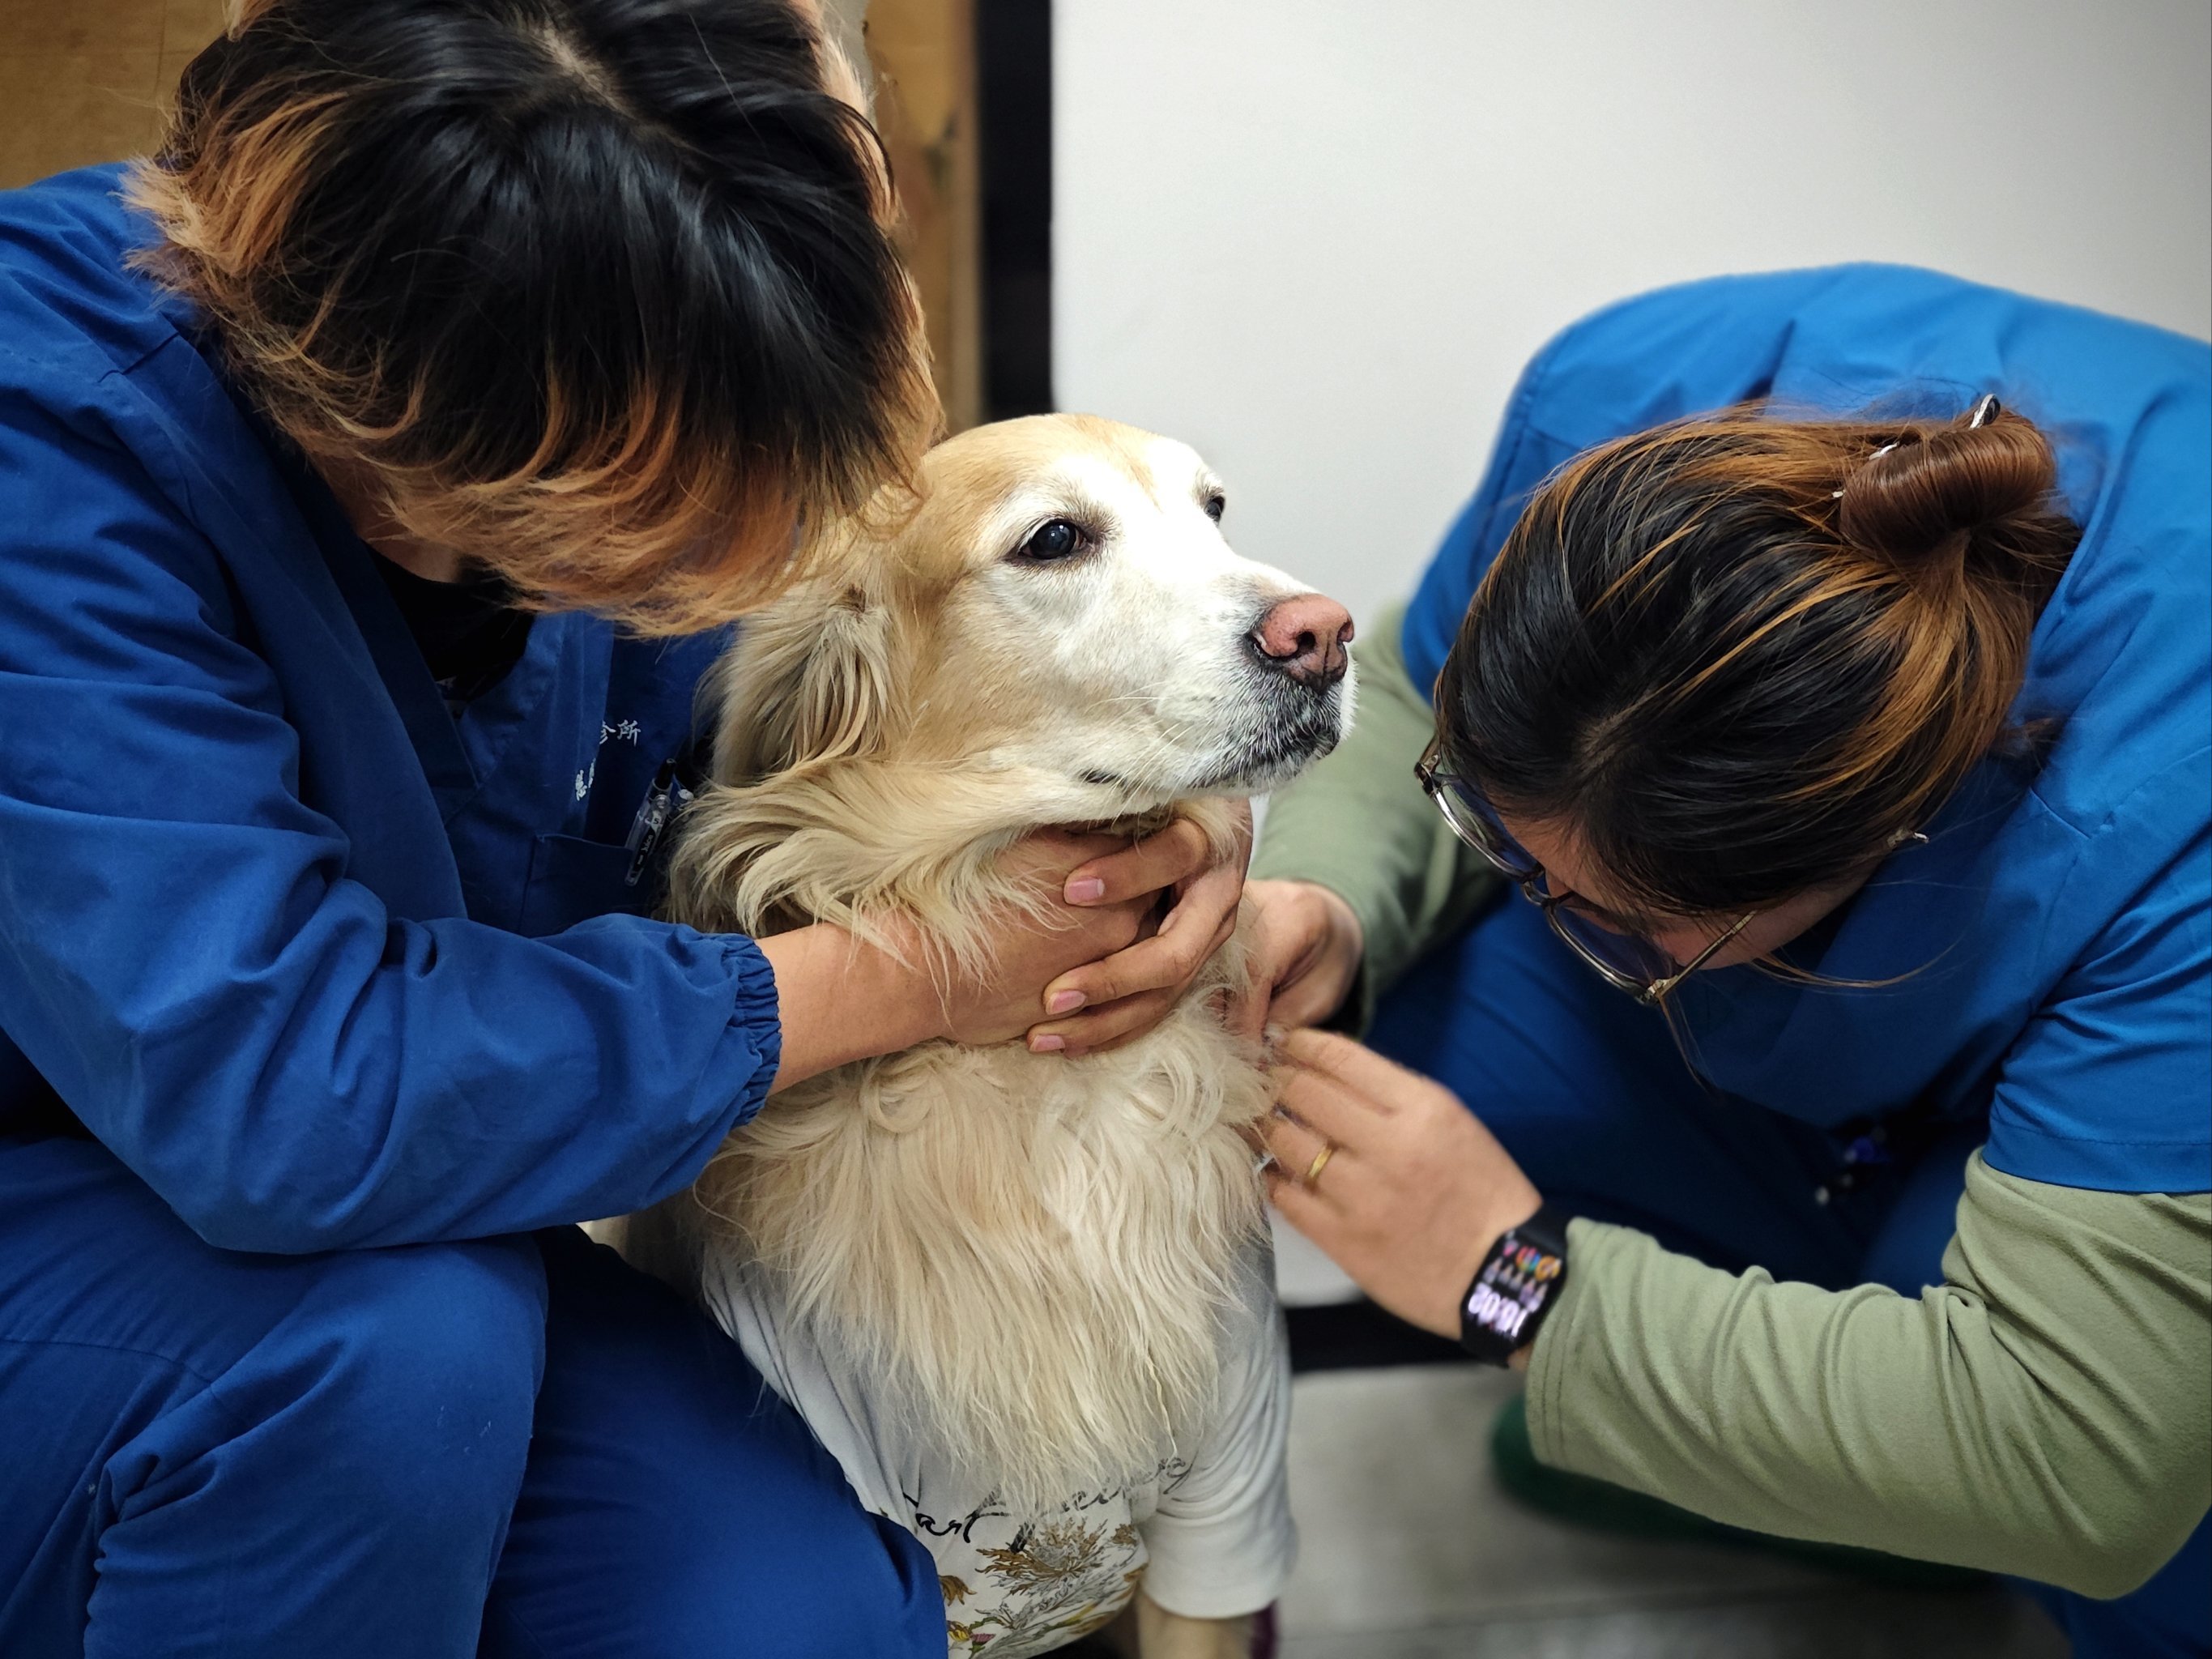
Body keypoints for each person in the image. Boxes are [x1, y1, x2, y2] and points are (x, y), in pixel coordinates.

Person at [0, 4, 1244, 1654]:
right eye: (650, 527)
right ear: (408, 408)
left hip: (429, 1227)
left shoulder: (631, 400)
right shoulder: (52, 433)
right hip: (133, 1214)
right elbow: (285, 1093)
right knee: (389, 1347)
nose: (757, 558)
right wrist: (917, 971)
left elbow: (848, 753)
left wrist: (1158, 821)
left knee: (798, 1610)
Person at [1242, 265, 2210, 1659]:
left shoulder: (2173, 819)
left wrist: (1511, 1280)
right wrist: (1326, 900)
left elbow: (2084, 1458)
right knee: (1374, 1022)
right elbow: (1409, 672)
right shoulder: (1619, 412)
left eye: (1615, 918)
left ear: (1888, 852)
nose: (1542, 905)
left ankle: (1886, 1470)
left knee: (2156, 1534)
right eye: (1504, 837)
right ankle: (1831, 1460)